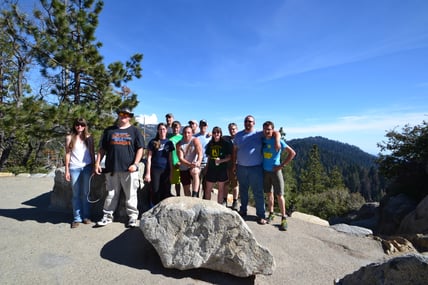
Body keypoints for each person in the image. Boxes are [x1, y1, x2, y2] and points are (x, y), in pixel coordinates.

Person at [95, 108, 144, 228]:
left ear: (130, 117)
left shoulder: (135, 131)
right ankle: (107, 217)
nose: (123, 116)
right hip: (112, 169)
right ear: (118, 115)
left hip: (129, 170)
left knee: (131, 195)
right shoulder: (109, 131)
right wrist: (97, 163)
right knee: (111, 194)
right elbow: (102, 149)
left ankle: (133, 218)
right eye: (121, 114)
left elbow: (140, 148)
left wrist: (136, 164)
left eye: (126, 115)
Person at [233, 115, 280, 225]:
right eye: (246, 121)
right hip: (241, 167)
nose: (248, 123)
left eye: (250, 121)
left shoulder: (259, 134)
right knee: (243, 190)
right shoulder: (238, 135)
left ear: (254, 123)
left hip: (256, 168)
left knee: (258, 191)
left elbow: (275, 132)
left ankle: (261, 215)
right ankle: (243, 210)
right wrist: (234, 165)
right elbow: (234, 150)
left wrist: (277, 140)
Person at [262, 121, 296, 231]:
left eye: (269, 129)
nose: (267, 131)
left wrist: (282, 165)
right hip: (265, 171)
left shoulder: (279, 141)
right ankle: (271, 213)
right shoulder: (262, 139)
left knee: (279, 195)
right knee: (269, 193)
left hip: (275, 171)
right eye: (265, 129)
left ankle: (283, 218)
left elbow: (292, 153)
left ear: (273, 130)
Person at [65, 118, 95, 228]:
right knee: (76, 194)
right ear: (74, 126)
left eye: (82, 125)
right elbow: (67, 154)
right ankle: (77, 218)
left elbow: (92, 152)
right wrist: (66, 170)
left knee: (85, 193)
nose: (79, 127)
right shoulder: (69, 137)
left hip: (86, 167)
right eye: (77, 125)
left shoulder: (89, 137)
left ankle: (86, 216)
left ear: (85, 126)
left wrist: (94, 166)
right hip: (74, 168)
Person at [145, 123, 175, 205]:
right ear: (158, 131)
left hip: (166, 169)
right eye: (160, 129)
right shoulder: (153, 142)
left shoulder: (169, 143)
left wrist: (171, 173)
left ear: (166, 130)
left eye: (164, 129)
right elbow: (149, 158)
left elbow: (170, 159)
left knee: (165, 190)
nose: (162, 131)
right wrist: (148, 173)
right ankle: (153, 207)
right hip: (155, 169)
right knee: (155, 190)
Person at [204, 126, 231, 204]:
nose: (216, 134)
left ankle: (219, 207)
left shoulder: (225, 144)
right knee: (208, 189)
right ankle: (207, 206)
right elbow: (208, 157)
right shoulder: (210, 143)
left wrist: (221, 161)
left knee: (221, 189)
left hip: (221, 169)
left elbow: (229, 157)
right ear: (212, 134)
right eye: (214, 132)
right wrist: (206, 167)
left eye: (218, 132)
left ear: (221, 133)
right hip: (211, 169)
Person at [177, 125, 203, 197]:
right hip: (184, 166)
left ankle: (194, 194)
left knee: (195, 172)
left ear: (192, 133)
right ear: (183, 133)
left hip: (194, 165)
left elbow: (200, 153)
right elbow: (181, 158)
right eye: (185, 132)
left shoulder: (195, 140)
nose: (186, 134)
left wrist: (198, 162)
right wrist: (189, 164)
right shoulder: (179, 144)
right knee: (186, 188)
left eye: (188, 132)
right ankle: (189, 200)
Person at [223, 122, 239, 210]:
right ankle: (225, 200)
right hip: (226, 164)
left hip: (236, 164)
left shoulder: (239, 139)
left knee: (235, 184)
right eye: (230, 129)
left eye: (233, 129)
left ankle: (235, 201)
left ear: (237, 129)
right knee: (226, 182)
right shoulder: (226, 139)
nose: (231, 131)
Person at [194, 119, 211, 197]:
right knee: (196, 183)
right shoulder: (195, 137)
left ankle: (205, 200)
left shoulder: (210, 137)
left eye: (204, 125)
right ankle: (196, 198)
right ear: (199, 126)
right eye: (201, 125)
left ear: (207, 126)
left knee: (206, 184)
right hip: (197, 163)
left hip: (207, 163)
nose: (203, 126)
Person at [168, 121, 183, 196]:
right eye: (174, 127)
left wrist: (181, 161)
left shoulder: (182, 137)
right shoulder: (168, 136)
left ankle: (178, 195)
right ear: (172, 127)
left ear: (179, 128)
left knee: (177, 181)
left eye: (177, 127)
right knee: (168, 179)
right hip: (169, 161)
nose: (175, 129)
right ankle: (168, 194)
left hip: (177, 161)